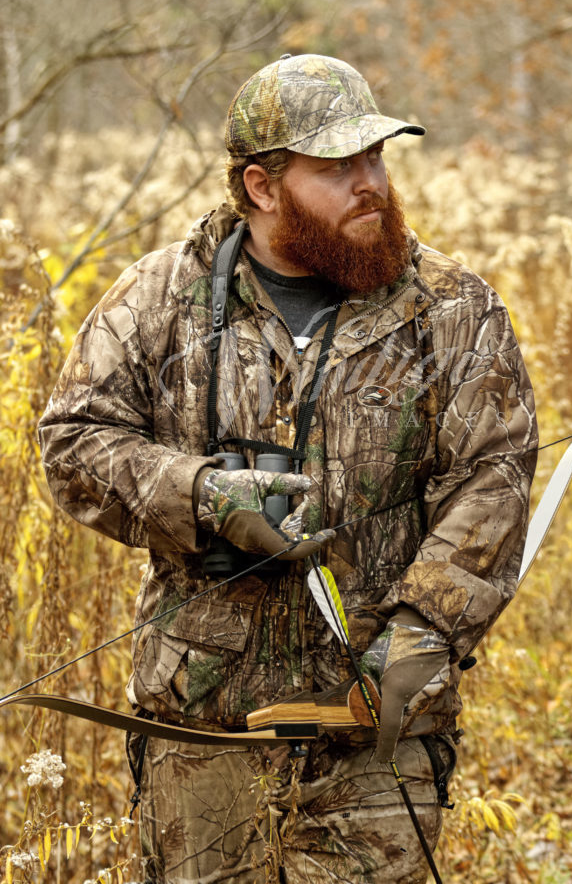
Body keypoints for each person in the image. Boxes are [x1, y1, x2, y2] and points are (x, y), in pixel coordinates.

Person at [39, 53, 538, 884]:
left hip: (374, 735)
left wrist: (426, 628)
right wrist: (204, 495)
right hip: (201, 730)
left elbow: (493, 476)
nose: (370, 183)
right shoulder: (160, 295)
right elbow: (74, 441)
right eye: (337, 167)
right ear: (261, 187)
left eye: (375, 157)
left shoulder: (453, 307)